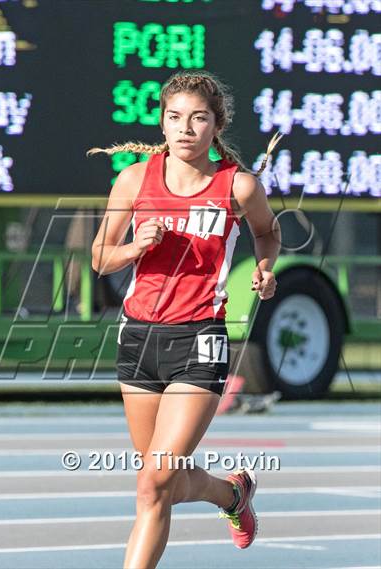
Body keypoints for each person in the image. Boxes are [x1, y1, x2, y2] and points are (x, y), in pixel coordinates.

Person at [89, 70, 282, 569]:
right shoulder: (134, 179)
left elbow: (268, 234)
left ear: (216, 126)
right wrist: (137, 245)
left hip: (199, 339)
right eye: (175, 117)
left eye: (198, 118)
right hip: (138, 338)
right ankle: (231, 494)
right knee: (160, 482)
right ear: (161, 122)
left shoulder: (237, 186)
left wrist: (264, 269)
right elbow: (100, 258)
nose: (185, 128)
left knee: (154, 482)